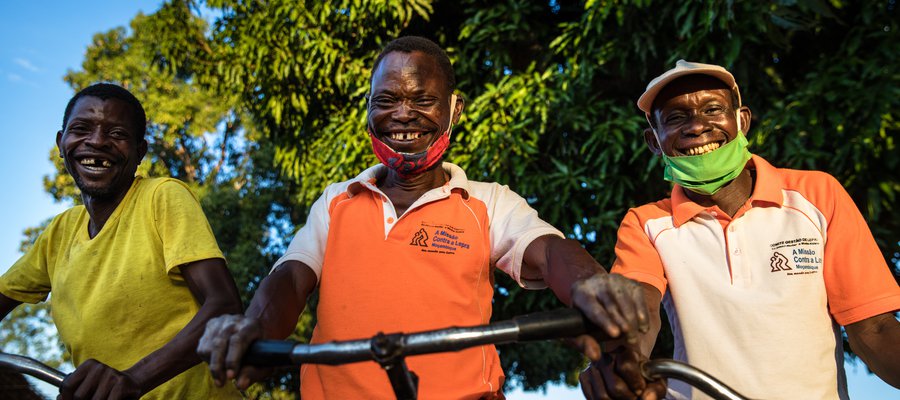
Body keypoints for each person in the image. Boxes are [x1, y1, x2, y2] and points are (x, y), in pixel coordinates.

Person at [197, 36, 649, 399]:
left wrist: (592, 283)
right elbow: (291, 279)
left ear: (454, 110)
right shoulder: (336, 201)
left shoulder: (487, 202)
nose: (402, 114)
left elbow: (549, 253)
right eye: (386, 99)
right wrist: (252, 329)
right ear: (369, 109)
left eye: (423, 100)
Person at [579, 60, 900, 400]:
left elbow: (874, 326)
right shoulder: (647, 223)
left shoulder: (818, 195)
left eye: (713, 109)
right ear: (654, 141)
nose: (697, 126)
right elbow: (637, 306)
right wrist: (621, 357)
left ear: (742, 121)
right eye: (675, 118)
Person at [0, 83, 244, 399]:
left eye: (117, 134)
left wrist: (133, 379)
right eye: (81, 129)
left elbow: (224, 307)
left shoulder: (162, 197)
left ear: (140, 152)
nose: (98, 141)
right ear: (62, 143)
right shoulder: (59, 233)